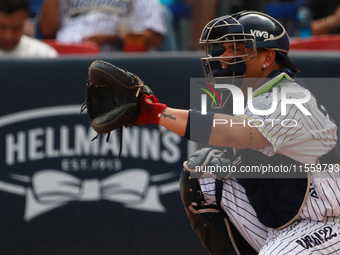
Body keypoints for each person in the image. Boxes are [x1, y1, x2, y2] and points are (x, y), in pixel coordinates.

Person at [132, 10, 340, 254]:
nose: (224, 57)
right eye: (225, 49)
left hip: (326, 223)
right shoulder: (255, 97)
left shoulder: (290, 97)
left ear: (267, 58)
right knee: (205, 173)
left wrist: (156, 113)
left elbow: (235, 133)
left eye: (237, 49)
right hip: (283, 224)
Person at [39, 0, 168, 53]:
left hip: (117, 61)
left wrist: (113, 39)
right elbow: (47, 30)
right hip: (68, 58)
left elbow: (154, 38)